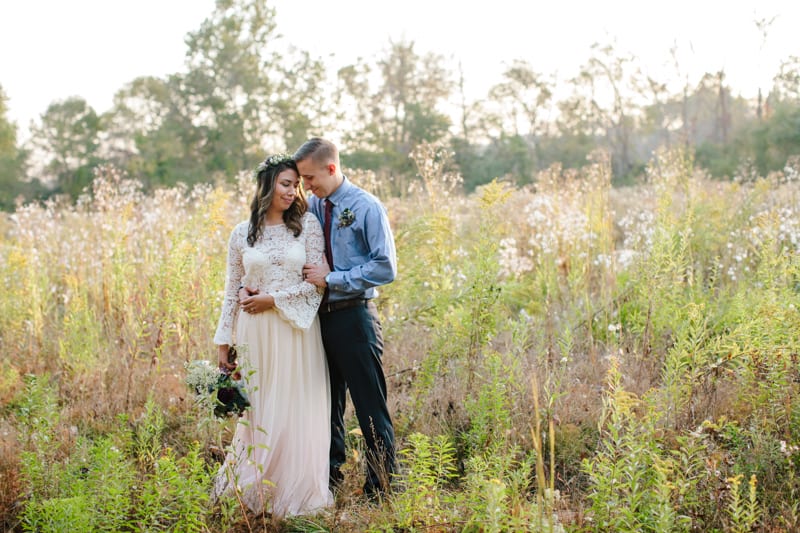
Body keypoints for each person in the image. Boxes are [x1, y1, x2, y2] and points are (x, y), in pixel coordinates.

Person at [212, 153, 333, 518]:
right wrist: (223, 339)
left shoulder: (308, 226)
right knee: (261, 407)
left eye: (296, 184)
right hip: (255, 333)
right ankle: (254, 485)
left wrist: (272, 300)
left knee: (296, 406)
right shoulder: (241, 233)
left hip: (296, 330)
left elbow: (316, 287)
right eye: (285, 183)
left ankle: (296, 492)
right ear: (266, 186)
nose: (293, 191)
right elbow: (233, 287)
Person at [296, 137, 397, 499]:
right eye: (302, 179)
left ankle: (383, 488)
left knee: (369, 406)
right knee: (327, 406)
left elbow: (385, 266)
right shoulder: (310, 207)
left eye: (310, 177)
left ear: (332, 168)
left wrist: (333, 279)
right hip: (316, 321)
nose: (306, 186)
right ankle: (329, 481)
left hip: (354, 318)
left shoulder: (366, 207)